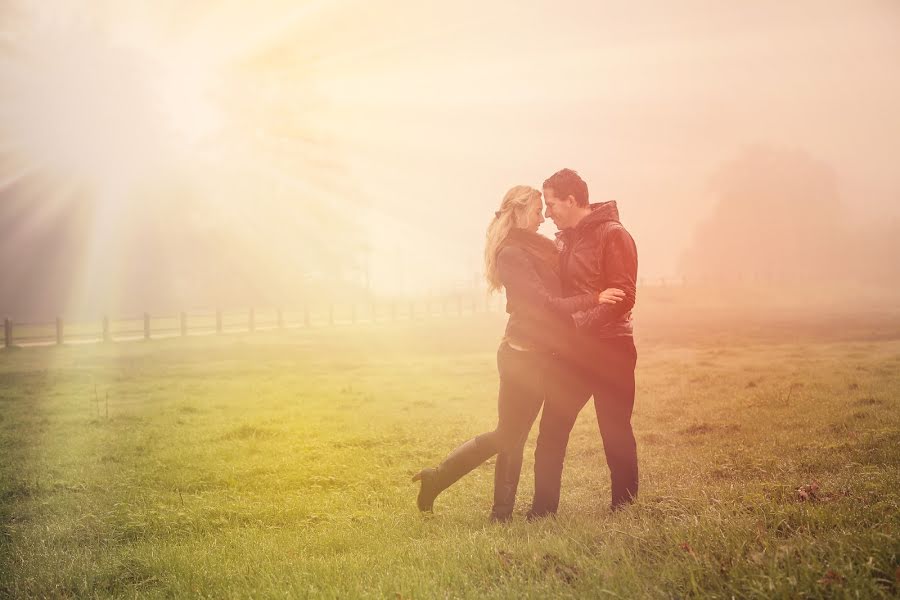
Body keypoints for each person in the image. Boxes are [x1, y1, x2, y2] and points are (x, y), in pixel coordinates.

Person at [412, 184, 624, 522]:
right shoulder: (512, 253)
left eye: (544, 211)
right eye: (538, 212)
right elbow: (545, 304)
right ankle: (439, 479)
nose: (543, 218)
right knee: (509, 434)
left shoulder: (539, 248)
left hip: (542, 356)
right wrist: (594, 298)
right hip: (521, 356)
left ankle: (499, 513)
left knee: (514, 434)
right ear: (519, 213)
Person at [528, 168, 640, 518]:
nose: (547, 213)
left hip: (611, 348)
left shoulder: (614, 235)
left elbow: (623, 296)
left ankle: (624, 508)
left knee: (615, 430)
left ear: (572, 200)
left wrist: (577, 325)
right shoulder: (564, 240)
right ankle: (542, 511)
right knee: (551, 431)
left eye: (551, 204)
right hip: (572, 352)